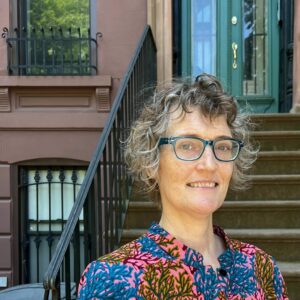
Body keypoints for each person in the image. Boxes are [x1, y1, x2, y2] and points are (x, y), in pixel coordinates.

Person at [77, 74, 288, 299]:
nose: (209, 164)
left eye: (223, 146)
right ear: (151, 162)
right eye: (187, 145)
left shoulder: (260, 267)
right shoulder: (111, 279)